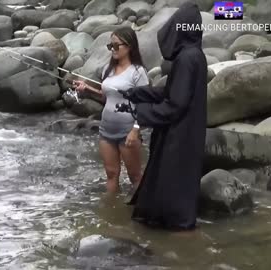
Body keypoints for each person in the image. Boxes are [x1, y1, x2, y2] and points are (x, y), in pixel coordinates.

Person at [122, 2, 208, 231]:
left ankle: (178, 233)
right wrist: (138, 93)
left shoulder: (187, 59)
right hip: (186, 131)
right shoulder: (194, 55)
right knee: (171, 180)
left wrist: (141, 115)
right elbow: (172, 91)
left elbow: (176, 103)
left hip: (180, 135)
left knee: (172, 183)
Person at [72, 27, 149, 194]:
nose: (112, 50)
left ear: (129, 46)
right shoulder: (109, 69)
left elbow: (145, 104)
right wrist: (87, 89)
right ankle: (111, 213)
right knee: (111, 174)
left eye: (116, 46)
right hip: (106, 130)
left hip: (128, 132)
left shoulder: (138, 72)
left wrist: (135, 131)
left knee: (135, 176)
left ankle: (142, 212)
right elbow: (108, 97)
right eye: (110, 46)